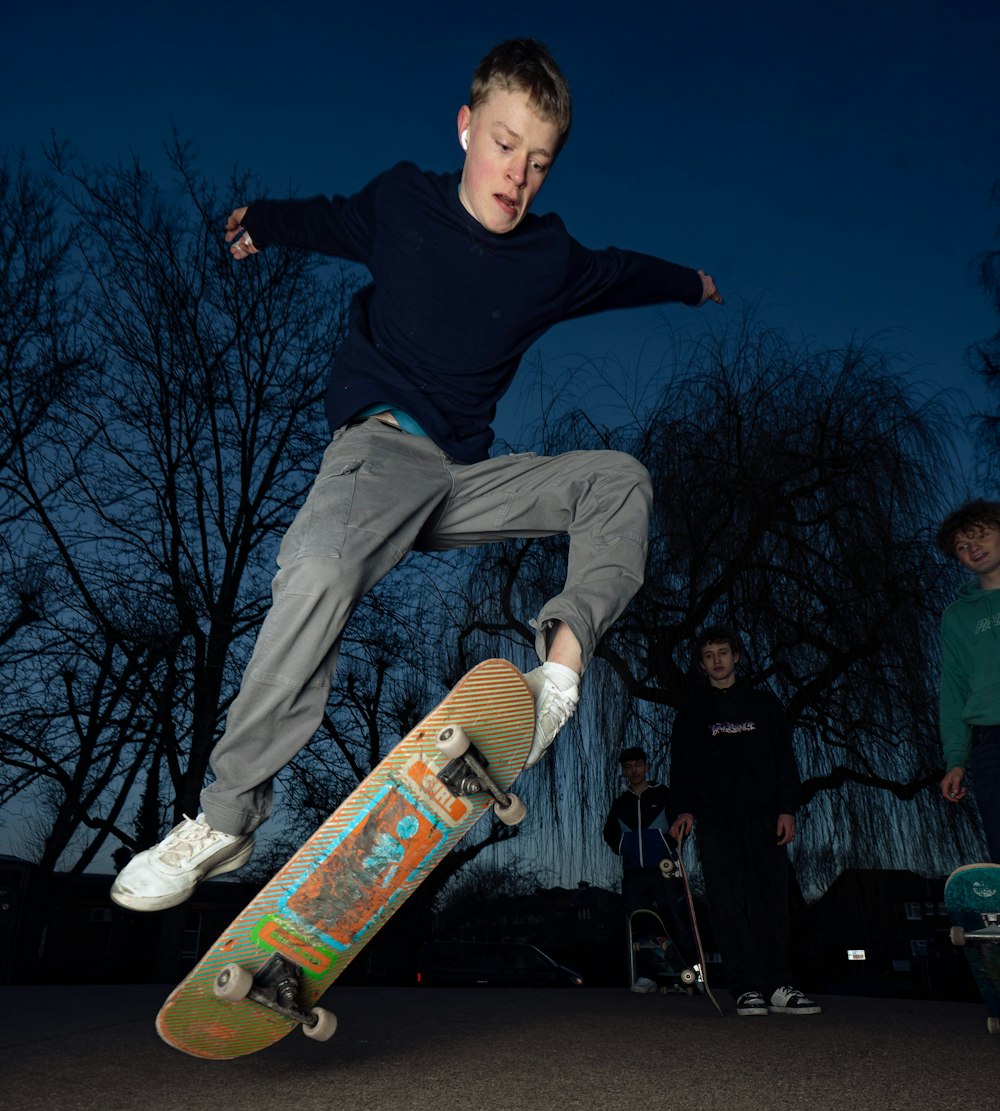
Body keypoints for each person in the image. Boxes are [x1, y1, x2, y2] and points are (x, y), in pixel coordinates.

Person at [111, 37, 723, 913]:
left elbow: (623, 271)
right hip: (381, 457)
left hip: (465, 478)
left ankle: (557, 676)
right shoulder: (401, 203)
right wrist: (259, 222)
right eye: (506, 145)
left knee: (617, 478)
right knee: (318, 570)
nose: (518, 176)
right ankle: (226, 816)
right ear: (468, 127)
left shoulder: (550, 259)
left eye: (540, 162)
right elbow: (323, 217)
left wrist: (691, 285)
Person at [668, 629, 819, 1017]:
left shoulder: (764, 704)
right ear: (701, 664)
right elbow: (683, 768)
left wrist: (788, 808)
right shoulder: (693, 711)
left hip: (765, 816)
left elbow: (784, 759)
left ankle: (779, 985)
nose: (717, 660)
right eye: (709, 655)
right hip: (716, 821)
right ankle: (746, 987)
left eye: (723, 653)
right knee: (728, 902)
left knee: (770, 899)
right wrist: (683, 810)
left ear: (737, 656)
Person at [936, 498, 1000, 863]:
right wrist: (956, 761)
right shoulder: (956, 618)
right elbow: (954, 691)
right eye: (962, 546)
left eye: (980, 536)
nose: (972, 548)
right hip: (991, 740)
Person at [602, 746, 693, 993]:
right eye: (628, 767)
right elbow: (609, 833)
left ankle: (688, 977)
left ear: (647, 766)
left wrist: (666, 843)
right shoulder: (621, 803)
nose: (633, 771)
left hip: (666, 868)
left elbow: (682, 825)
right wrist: (625, 846)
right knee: (642, 923)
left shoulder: (663, 794)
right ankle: (649, 976)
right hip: (635, 872)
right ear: (623, 770)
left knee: (678, 921)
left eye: (638, 765)